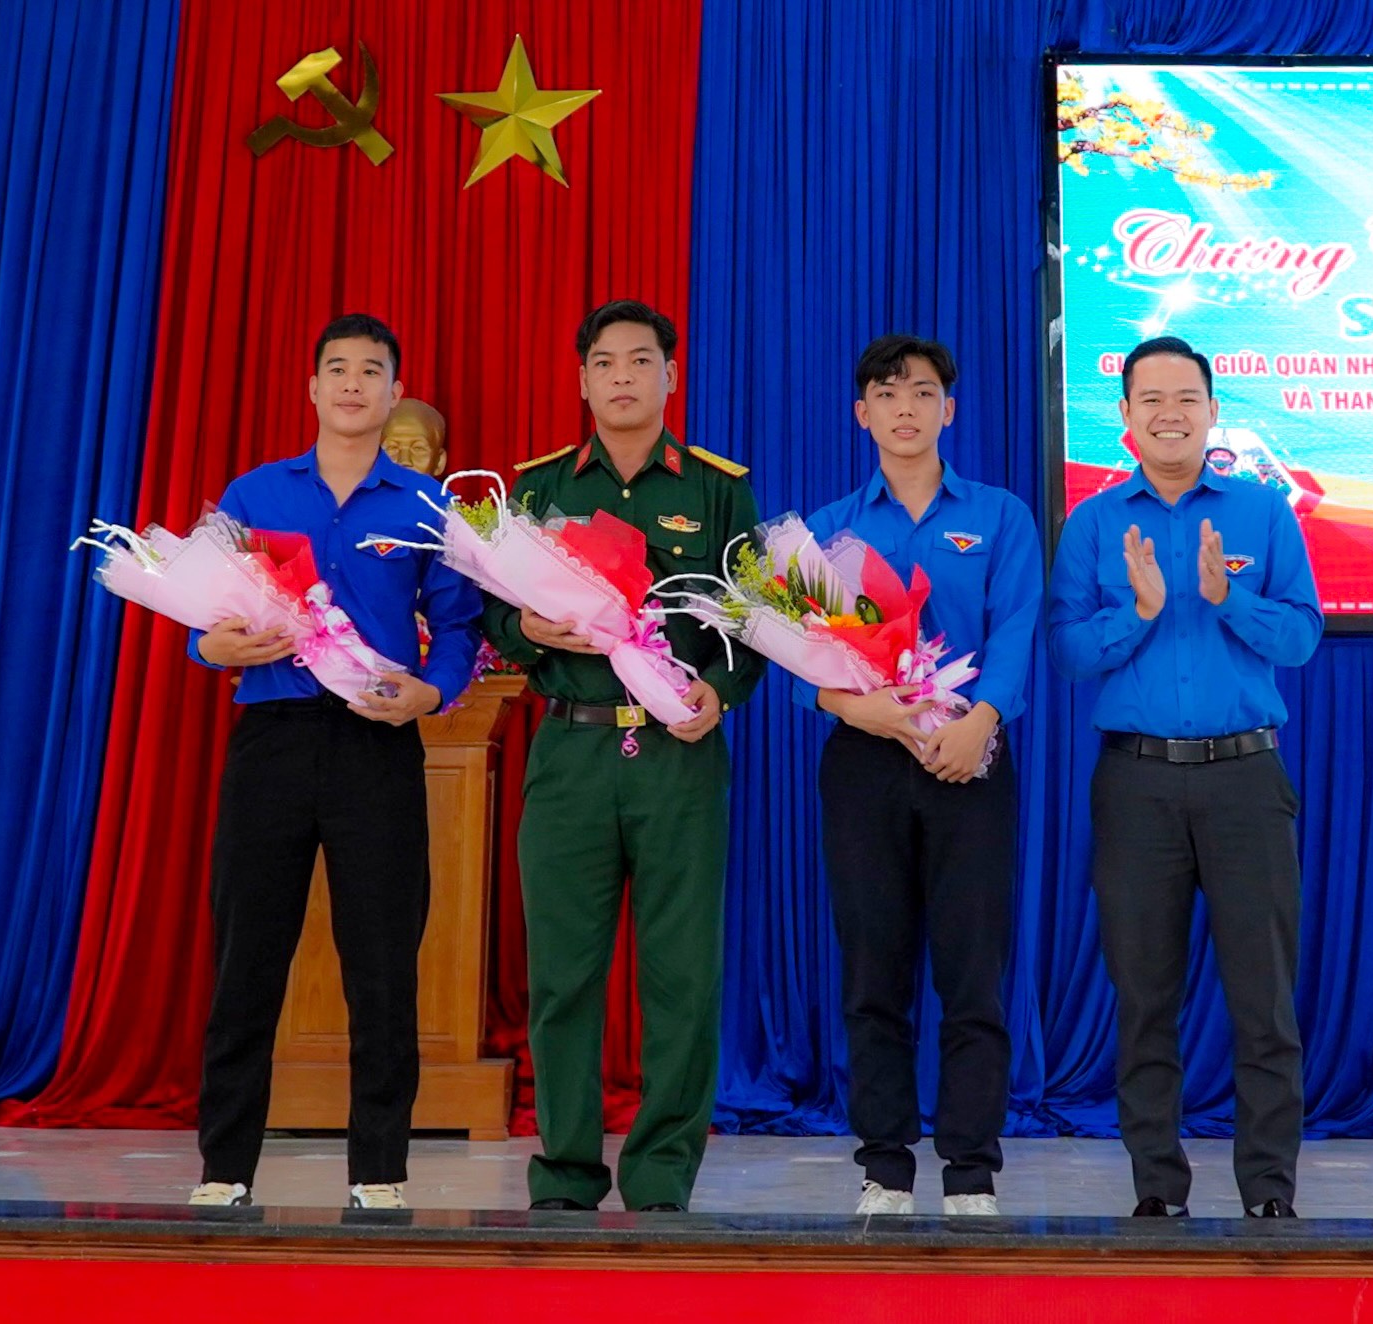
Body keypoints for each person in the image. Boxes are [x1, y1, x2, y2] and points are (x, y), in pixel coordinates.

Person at [188, 313, 482, 1210]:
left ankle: (379, 1174)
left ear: (396, 393)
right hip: (272, 737)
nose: (354, 384)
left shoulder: (426, 506)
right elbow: (205, 616)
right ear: (312, 387)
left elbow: (459, 626)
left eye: (372, 371)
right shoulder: (254, 493)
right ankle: (225, 1171)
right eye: (338, 369)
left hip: (375, 742)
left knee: (383, 967)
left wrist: (433, 692)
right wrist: (214, 647)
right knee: (247, 960)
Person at [482, 300, 765, 1213]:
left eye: (641, 361)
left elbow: (755, 619)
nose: (622, 378)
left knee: (682, 976)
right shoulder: (540, 489)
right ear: (582, 380)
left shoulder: (717, 488)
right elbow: (492, 611)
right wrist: (525, 628)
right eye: (604, 363)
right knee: (563, 975)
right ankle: (565, 1172)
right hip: (571, 748)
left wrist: (719, 693)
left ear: (670, 376)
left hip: (677, 756)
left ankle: (661, 1174)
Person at [1046, 334, 1324, 1219]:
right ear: (1124, 417)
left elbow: (1301, 638)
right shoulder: (1094, 524)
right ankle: (1158, 1192)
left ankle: (1269, 1194)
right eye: (1151, 399)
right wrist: (1140, 612)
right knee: (1144, 999)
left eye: (1186, 398)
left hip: (1246, 779)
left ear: (1212, 411)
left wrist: (1228, 599)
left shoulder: (1263, 513)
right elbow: (1067, 653)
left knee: (1264, 1001)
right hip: (1137, 785)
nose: (1170, 413)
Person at [800, 335, 1042, 1216]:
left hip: (968, 756)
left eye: (924, 391)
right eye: (888, 392)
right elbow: (803, 655)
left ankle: (972, 1169)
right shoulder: (827, 529)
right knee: (875, 972)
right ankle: (885, 1166)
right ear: (861, 412)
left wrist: (982, 722)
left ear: (950, 409)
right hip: (866, 762)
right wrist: (849, 706)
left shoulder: (1001, 517)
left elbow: (1015, 629)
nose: (906, 407)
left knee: (972, 975)